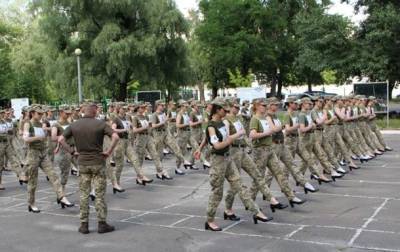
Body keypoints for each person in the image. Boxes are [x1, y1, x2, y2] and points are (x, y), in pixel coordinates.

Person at [202, 98, 272, 232]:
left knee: (240, 185)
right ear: (218, 109)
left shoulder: (221, 123)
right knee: (217, 192)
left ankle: (256, 212)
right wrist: (234, 137)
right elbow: (216, 145)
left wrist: (199, 149)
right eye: (225, 110)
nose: (227, 112)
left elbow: (207, 140)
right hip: (218, 161)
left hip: (228, 159)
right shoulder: (211, 126)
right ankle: (210, 221)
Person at [58, 102, 119, 234]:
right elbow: (115, 136)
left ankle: (84, 224)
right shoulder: (101, 124)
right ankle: (102, 223)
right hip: (98, 162)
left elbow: (61, 139)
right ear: (94, 111)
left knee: (84, 194)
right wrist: (108, 152)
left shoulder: (74, 125)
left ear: (83, 111)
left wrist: (72, 151)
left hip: (83, 163)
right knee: (99, 194)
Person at [23, 105, 74, 213]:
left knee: (53, 175)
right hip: (33, 154)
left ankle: (61, 197)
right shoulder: (28, 123)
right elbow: (25, 138)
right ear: (32, 113)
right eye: (39, 113)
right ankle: (31, 203)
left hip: (43, 153)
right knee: (33, 181)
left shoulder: (41, 124)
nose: (41, 115)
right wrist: (38, 137)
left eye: (42, 113)